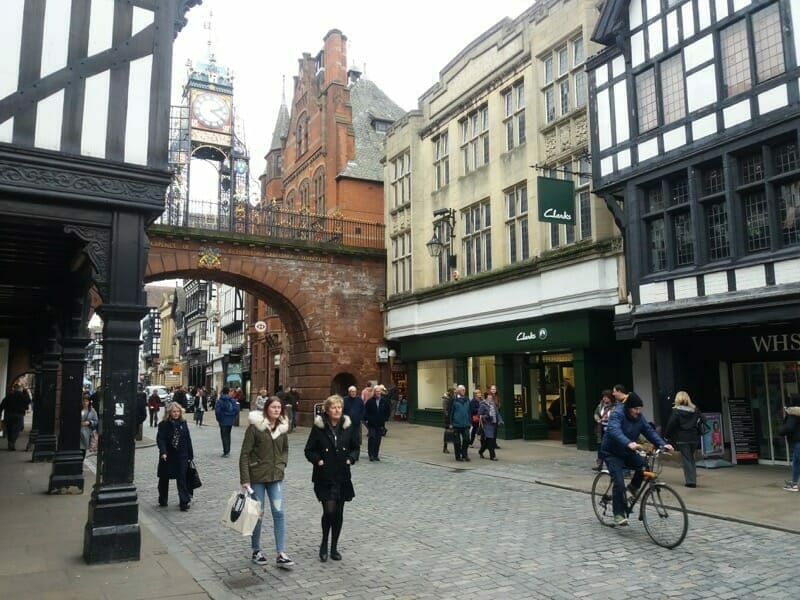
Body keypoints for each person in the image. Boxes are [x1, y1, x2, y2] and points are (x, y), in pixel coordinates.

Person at [600, 385, 672, 527]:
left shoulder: (638, 416)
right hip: (612, 452)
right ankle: (618, 514)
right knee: (619, 483)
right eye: (635, 409)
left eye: (640, 409)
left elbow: (648, 431)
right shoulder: (617, 414)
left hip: (627, 451)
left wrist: (662, 444)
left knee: (643, 466)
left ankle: (633, 488)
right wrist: (628, 443)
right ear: (628, 408)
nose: (638, 412)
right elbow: (614, 431)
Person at [239, 395, 294, 568]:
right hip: (257, 477)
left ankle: (281, 553)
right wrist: (245, 479)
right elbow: (244, 454)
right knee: (258, 514)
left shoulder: (282, 428)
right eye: (273, 407)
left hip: (276, 476)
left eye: (279, 407)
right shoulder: (255, 428)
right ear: (266, 409)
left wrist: (282, 463)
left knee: (279, 513)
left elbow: (285, 449)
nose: (277, 410)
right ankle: (256, 550)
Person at [304, 394, 359, 562]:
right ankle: (323, 543)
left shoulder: (348, 426)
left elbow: (355, 447)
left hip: (342, 475)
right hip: (324, 476)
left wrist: (351, 458)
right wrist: (318, 460)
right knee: (329, 510)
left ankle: (334, 547)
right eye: (334, 407)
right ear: (327, 410)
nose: (337, 410)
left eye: (339, 407)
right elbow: (309, 450)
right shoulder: (319, 427)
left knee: (339, 512)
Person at [156, 402, 194, 511]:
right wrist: (163, 452)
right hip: (167, 455)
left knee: (182, 478)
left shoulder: (183, 423)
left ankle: (184, 501)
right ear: (169, 412)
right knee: (164, 478)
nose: (176, 413)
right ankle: (163, 499)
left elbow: (187, 439)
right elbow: (161, 439)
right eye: (174, 411)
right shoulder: (163, 424)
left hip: (181, 455)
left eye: (178, 411)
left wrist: (190, 455)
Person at [665, 390, 702, 488]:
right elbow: (701, 421)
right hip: (694, 438)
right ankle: (693, 478)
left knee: (686, 459)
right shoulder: (695, 410)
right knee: (691, 458)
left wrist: (667, 436)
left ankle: (691, 481)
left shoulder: (676, 411)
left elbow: (671, 424)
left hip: (682, 437)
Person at [779, 393, 800, 492]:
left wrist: (781, 431)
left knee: (797, 462)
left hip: (798, 442)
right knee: (796, 462)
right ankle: (794, 483)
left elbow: (789, 427)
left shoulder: (793, 414)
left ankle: (794, 484)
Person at [364, 385, 390, 461]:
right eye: (376, 391)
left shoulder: (384, 401)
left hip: (380, 424)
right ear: (374, 392)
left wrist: (384, 419)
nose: (378, 393)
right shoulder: (370, 401)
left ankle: (376, 455)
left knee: (378, 440)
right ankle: (371, 454)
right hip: (371, 424)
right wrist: (368, 419)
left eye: (379, 391)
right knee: (372, 438)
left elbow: (387, 411)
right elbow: (366, 411)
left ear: (380, 392)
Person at [0, 383, 29, 451]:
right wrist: (25, 392)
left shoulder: (9, 396)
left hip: (8, 415)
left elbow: (2, 405)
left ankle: (10, 442)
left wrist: (0, 413)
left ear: (14, 389)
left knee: (9, 429)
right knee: (16, 430)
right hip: (19, 415)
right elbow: (28, 401)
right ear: (20, 389)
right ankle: (12, 442)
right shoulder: (22, 396)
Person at [592, 390, 615, 470]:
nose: (604, 398)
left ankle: (610, 463)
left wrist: (608, 419)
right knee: (600, 445)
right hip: (601, 427)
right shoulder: (600, 405)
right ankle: (599, 464)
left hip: (609, 427)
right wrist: (598, 419)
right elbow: (596, 414)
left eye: (606, 397)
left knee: (607, 446)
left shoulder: (614, 407)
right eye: (604, 397)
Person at [478, 389, 503, 460]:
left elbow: (497, 413)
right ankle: (493, 456)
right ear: (486, 397)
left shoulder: (493, 404)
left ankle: (481, 451)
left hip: (493, 424)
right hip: (487, 425)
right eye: (489, 396)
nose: (490, 397)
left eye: (491, 396)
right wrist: (486, 416)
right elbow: (479, 415)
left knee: (488, 441)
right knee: (491, 440)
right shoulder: (483, 405)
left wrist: (500, 420)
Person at [448, 384, 471, 462]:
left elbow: (469, 411)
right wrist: (450, 423)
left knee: (467, 439)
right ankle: (458, 456)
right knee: (457, 442)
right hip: (456, 424)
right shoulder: (453, 400)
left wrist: (470, 421)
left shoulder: (467, 399)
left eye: (464, 390)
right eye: (462, 390)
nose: (464, 391)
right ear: (458, 391)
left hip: (466, 424)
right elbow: (450, 412)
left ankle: (465, 454)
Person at [215, 386, 240, 457]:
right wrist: (232, 416)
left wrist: (219, 419)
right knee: (228, 435)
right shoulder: (232, 400)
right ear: (228, 392)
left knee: (224, 436)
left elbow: (217, 411)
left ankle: (226, 451)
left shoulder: (220, 401)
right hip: (230, 420)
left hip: (223, 420)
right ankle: (228, 450)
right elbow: (236, 410)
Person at [342, 385, 365, 453]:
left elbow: (363, 410)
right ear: (349, 392)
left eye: (354, 391)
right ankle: (347, 452)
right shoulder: (344, 399)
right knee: (347, 438)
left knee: (356, 439)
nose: (353, 393)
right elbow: (342, 410)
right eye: (352, 391)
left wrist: (360, 418)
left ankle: (356, 453)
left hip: (356, 423)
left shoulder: (359, 400)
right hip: (347, 423)